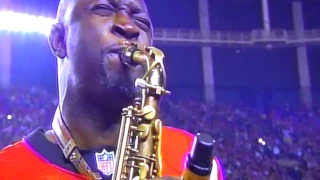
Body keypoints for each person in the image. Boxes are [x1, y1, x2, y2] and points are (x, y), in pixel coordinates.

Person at [0, 0, 224, 179]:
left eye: (141, 21)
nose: (129, 27)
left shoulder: (190, 156)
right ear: (60, 40)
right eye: (104, 9)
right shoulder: (7, 170)